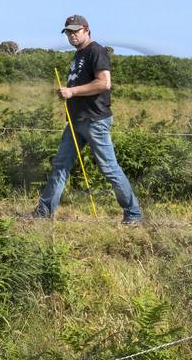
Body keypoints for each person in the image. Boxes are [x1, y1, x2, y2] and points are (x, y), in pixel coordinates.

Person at [26, 15, 143, 226]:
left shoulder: (95, 51)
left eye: (75, 31)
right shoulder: (78, 54)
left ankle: (133, 214)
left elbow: (104, 83)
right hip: (75, 122)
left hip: (95, 121)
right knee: (59, 166)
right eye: (68, 32)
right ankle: (43, 213)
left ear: (86, 30)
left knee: (109, 168)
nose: (72, 35)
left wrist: (72, 92)